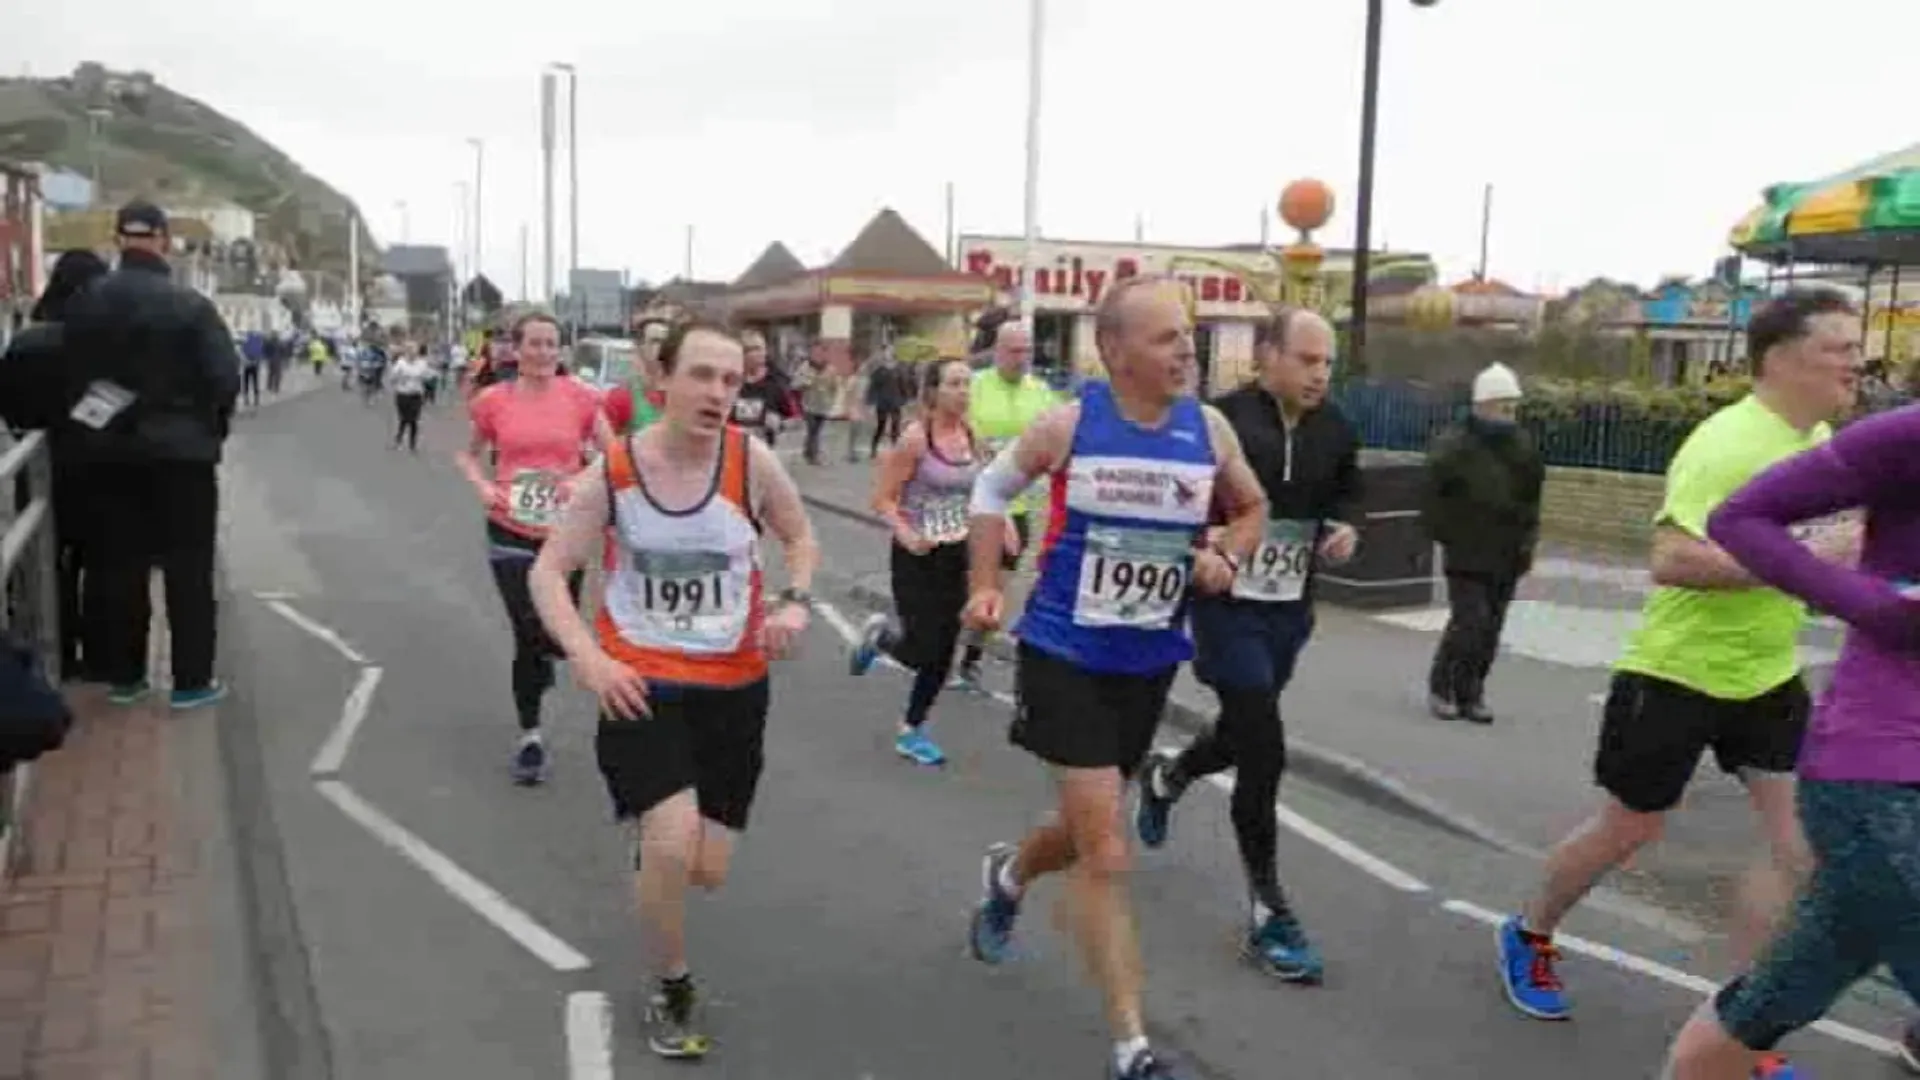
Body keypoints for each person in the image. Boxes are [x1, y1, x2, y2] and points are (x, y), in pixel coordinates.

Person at [1494, 289, 1863, 1080]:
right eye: (1840, 347)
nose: (1856, 363)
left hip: (1766, 674)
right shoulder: (1726, 445)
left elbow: (1824, 551)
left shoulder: (1822, 439)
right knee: (1629, 828)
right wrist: (1805, 556)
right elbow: (1672, 559)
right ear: (1782, 358)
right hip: (1675, 673)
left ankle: (1741, 1028)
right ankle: (1528, 931)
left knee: (1799, 848)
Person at [962, 277, 1267, 1080]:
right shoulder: (1070, 425)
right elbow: (990, 488)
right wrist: (984, 582)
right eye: (1168, 338)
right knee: (1106, 846)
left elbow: (1252, 508)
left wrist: (1224, 556)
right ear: (1115, 351)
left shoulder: (1208, 430)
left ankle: (1010, 873)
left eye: (1189, 336)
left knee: (1082, 830)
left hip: (1147, 664)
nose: (1187, 351)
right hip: (1063, 653)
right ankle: (1132, 1047)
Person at [527, 321, 818, 1060]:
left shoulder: (749, 462)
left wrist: (795, 599)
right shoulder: (617, 472)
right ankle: (672, 986)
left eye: (731, 379)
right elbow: (547, 571)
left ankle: (660, 854)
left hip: (734, 690)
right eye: (703, 376)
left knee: (705, 871)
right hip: (640, 685)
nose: (719, 393)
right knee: (670, 839)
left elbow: (799, 534)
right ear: (663, 381)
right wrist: (590, 661)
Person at [1660, 401, 1920, 1078]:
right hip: (1884, 778)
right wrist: (1870, 604)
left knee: (1763, 1007)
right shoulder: (1909, 435)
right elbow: (1739, 517)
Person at [1132, 308, 1361, 984]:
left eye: (1328, 362)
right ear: (1267, 356)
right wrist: (1211, 548)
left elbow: (1349, 492)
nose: (1320, 373)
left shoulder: (1339, 429)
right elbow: (1182, 505)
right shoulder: (1220, 421)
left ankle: (1168, 775)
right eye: (1308, 359)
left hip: (1288, 612)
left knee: (1241, 730)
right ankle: (1269, 911)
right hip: (1225, 605)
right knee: (1264, 743)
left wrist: (1344, 529)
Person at [62, 201, 240, 709]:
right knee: (189, 568)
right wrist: (208, 432)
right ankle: (190, 682)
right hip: (183, 456)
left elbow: (73, 379)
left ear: (119, 239)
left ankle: (126, 677)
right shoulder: (191, 305)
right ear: (163, 239)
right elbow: (224, 379)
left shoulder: (86, 302)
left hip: (110, 453)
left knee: (118, 566)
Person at [455, 311, 602, 784]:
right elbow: (467, 453)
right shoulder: (492, 400)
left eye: (550, 344)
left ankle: (546, 656)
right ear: (515, 350)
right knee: (526, 630)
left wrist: (580, 478)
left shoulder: (579, 397)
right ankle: (531, 737)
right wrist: (482, 486)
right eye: (533, 344)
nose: (542, 352)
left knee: (555, 634)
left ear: (561, 350)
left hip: (565, 533)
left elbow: (612, 452)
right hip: (509, 529)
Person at [849, 357, 1008, 766]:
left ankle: (911, 729)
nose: (964, 392)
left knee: (942, 652)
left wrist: (1003, 525)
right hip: (916, 556)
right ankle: (883, 638)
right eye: (955, 384)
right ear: (933, 391)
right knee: (921, 649)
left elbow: (984, 492)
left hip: (957, 555)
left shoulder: (974, 437)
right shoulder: (915, 439)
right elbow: (883, 499)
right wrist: (907, 534)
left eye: (967, 384)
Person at [0, 249, 111, 681]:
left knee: (45, 560)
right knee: (99, 563)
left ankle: (55, 650)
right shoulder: (99, 343)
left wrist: (31, 427)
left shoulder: (26, 341)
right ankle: (99, 653)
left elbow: (7, 402)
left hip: (40, 466)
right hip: (94, 464)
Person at [1421, 361, 1545, 723]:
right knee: (1469, 622)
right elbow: (1432, 494)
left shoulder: (1522, 448)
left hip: (1507, 551)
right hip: (1465, 551)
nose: (1509, 412)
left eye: (1512, 405)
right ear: (1482, 405)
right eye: (1502, 405)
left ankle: (1471, 692)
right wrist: (1445, 534)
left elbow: (1531, 500)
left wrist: (1528, 542)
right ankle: (1442, 686)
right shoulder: (1455, 446)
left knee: (1491, 628)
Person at [951, 321, 1055, 691]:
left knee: (1000, 585)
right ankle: (934, 648)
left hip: (1019, 506)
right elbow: (950, 430)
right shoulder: (974, 386)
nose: (1022, 357)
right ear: (997, 350)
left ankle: (970, 660)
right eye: (1014, 350)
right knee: (964, 582)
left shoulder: (1041, 392)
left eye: (1027, 350)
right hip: (970, 504)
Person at [601, 319, 670, 434]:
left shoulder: (682, 394)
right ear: (639, 347)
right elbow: (606, 447)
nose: (663, 347)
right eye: (655, 341)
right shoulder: (621, 397)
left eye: (667, 342)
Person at [730, 329, 796, 444]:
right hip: (732, 445)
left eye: (760, 348)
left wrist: (778, 422)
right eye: (750, 349)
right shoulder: (730, 380)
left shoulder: (777, 380)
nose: (757, 353)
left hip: (765, 448)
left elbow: (794, 416)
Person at [389, 346, 431, 453]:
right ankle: (398, 439)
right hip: (403, 394)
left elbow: (427, 377)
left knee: (413, 420)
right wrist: (398, 381)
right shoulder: (401, 363)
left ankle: (413, 444)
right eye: (410, 352)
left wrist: (428, 378)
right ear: (406, 353)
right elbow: (393, 377)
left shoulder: (422, 364)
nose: (412, 355)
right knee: (403, 419)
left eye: (414, 353)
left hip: (416, 395)